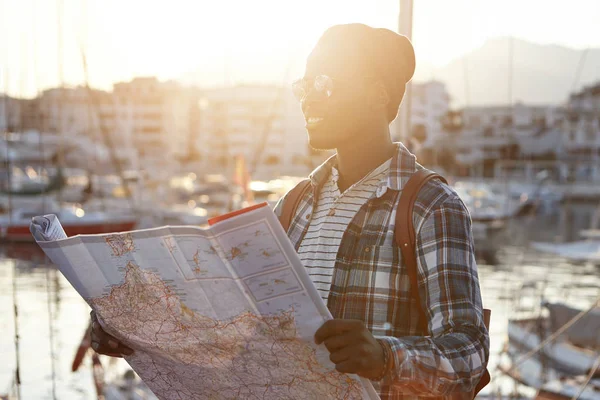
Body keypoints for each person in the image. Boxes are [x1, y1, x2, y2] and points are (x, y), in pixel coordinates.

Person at [91, 23, 489, 399]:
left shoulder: (431, 206)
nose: (308, 97)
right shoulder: (295, 205)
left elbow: (469, 353)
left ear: (378, 93)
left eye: (323, 82)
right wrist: (134, 331)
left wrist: (386, 358)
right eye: (303, 85)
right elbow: (238, 335)